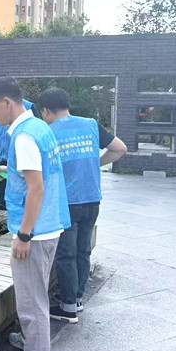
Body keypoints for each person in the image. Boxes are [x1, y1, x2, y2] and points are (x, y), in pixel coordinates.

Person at [0, 77, 69, 351]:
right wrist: (8, 170)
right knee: (36, 298)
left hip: (35, 232)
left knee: (31, 303)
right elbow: (36, 174)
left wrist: (24, 235)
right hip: (48, 226)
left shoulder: (23, 137)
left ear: (7, 103)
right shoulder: (38, 127)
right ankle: (34, 347)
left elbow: (36, 189)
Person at [37, 88, 127, 324]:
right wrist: (96, 163)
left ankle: (68, 308)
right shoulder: (90, 124)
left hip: (67, 203)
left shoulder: (47, 133)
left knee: (66, 255)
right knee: (83, 250)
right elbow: (120, 148)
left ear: (46, 111)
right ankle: (77, 299)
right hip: (92, 199)